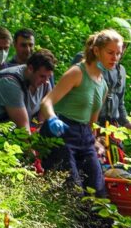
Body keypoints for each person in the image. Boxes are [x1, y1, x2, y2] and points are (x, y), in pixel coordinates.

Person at [40, 29, 123, 198]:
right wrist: (52, 119)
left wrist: (96, 142)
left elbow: (91, 123)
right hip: (61, 131)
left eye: (118, 54)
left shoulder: (104, 86)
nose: (115, 57)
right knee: (71, 193)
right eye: (110, 52)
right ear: (96, 50)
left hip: (83, 136)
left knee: (98, 198)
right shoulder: (77, 72)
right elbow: (46, 102)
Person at [0, 49, 56, 135]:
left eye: (49, 77)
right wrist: (31, 151)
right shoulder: (10, 81)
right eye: (42, 76)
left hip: (6, 125)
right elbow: (23, 129)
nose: (46, 81)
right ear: (30, 69)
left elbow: (43, 118)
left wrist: (41, 128)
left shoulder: (44, 83)